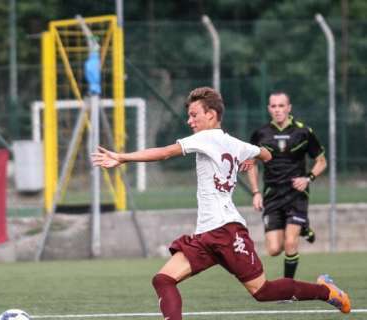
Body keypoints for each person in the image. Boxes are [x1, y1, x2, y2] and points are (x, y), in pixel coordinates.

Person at [91, 87, 350, 319]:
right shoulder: (235, 143)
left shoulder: (205, 138)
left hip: (225, 230)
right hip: (207, 234)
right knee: (163, 279)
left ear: (212, 115)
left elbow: (164, 153)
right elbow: (267, 154)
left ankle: (325, 292)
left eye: (194, 114)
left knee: (262, 291)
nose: (189, 120)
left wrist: (122, 157)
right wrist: (252, 157)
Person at [248, 91, 327, 279]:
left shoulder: (303, 132)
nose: (277, 110)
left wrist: (308, 178)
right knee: (274, 249)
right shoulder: (260, 134)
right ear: (269, 109)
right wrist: (256, 192)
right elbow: (251, 164)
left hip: (296, 194)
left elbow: (321, 161)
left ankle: (288, 287)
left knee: (290, 243)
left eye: (281, 105)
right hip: (272, 195)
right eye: (274, 106)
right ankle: (303, 228)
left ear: (289, 108)